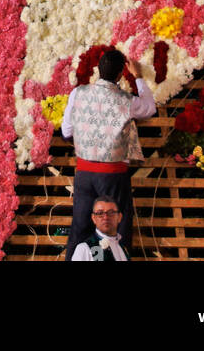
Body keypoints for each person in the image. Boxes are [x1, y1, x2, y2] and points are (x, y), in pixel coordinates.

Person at [61, 47, 156, 260]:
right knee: (116, 231)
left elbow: (66, 131)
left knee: (80, 227)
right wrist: (138, 76)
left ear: (98, 69)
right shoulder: (125, 100)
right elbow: (150, 107)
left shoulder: (78, 93)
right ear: (122, 74)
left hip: (84, 172)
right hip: (113, 174)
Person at [71, 197, 131, 263]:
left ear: (119, 217)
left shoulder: (122, 247)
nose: (106, 217)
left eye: (111, 213)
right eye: (100, 213)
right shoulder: (84, 248)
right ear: (93, 218)